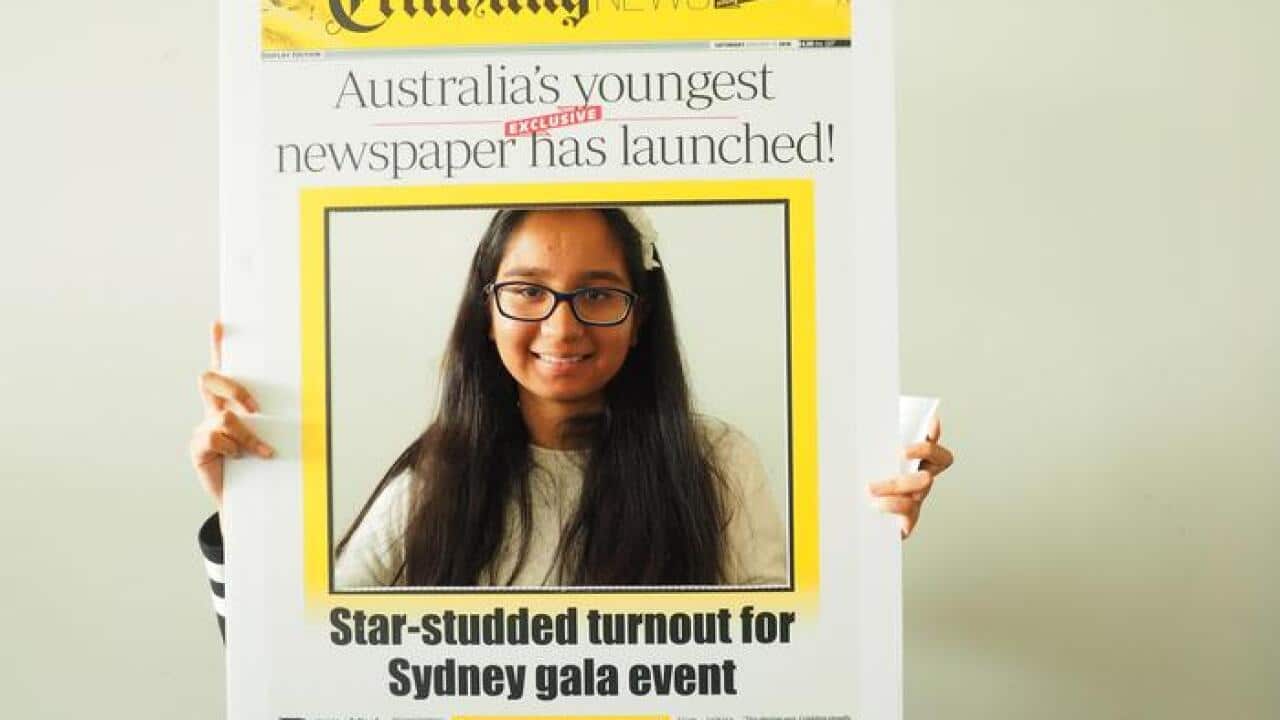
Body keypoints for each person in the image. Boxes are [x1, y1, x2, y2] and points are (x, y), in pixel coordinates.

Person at [191, 208, 953, 607]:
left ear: (640, 312)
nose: (561, 327)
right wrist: (243, 514)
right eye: (527, 291)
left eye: (596, 293)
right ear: (485, 312)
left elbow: (788, 663)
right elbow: (287, 669)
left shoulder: (715, 462)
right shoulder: (435, 474)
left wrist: (871, 547)